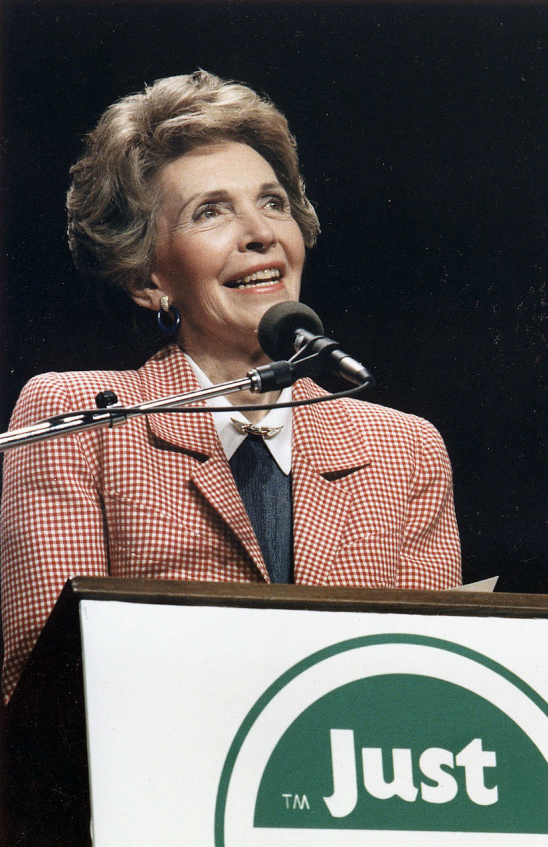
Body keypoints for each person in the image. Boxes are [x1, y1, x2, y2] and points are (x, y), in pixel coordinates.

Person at [0, 70, 462, 703]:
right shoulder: (82, 419)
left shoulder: (404, 450)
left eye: (272, 202)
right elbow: (43, 685)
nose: (260, 232)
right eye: (210, 211)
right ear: (147, 278)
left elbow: (434, 691)